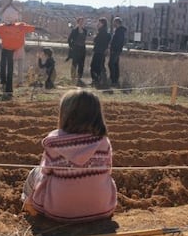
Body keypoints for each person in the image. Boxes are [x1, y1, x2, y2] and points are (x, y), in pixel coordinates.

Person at [22, 89, 117, 222]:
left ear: (65, 114)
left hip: (58, 212)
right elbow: (108, 170)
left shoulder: (53, 142)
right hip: (103, 210)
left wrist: (34, 198)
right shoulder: (103, 142)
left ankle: (29, 207)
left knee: (35, 173)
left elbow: (45, 174)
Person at [0, 20, 35, 99]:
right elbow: (32, 28)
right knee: (9, 68)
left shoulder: (3, 27)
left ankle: (4, 83)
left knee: (4, 66)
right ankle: (8, 89)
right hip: (13, 49)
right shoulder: (20, 26)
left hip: (7, 49)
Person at [90, 17, 111, 87]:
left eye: (99, 23)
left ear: (103, 24)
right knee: (100, 66)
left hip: (98, 51)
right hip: (102, 52)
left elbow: (96, 41)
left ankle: (95, 80)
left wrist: (95, 36)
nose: (97, 24)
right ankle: (99, 80)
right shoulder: (106, 33)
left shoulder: (101, 32)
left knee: (94, 66)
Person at [67, 17, 87, 86]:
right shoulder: (74, 30)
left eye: (82, 21)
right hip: (76, 49)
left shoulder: (85, 30)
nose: (81, 23)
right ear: (78, 22)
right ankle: (73, 78)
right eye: (80, 21)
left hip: (82, 49)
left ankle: (79, 78)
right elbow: (69, 39)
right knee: (74, 64)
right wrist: (72, 47)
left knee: (81, 64)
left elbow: (84, 39)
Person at [108, 17, 127, 87]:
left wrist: (113, 48)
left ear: (117, 23)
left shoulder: (120, 31)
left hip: (115, 50)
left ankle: (113, 80)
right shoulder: (118, 30)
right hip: (116, 50)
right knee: (115, 65)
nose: (113, 23)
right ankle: (115, 80)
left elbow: (118, 42)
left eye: (114, 22)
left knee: (111, 64)